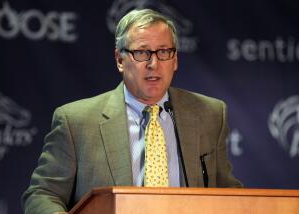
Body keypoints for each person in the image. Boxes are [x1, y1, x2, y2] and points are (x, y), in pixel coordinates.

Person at [22, 8, 242, 214]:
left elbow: (227, 192)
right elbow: (42, 194)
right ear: (120, 59)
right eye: (142, 53)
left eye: (164, 52)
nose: (154, 63)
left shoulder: (209, 114)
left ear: (175, 60)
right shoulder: (76, 121)